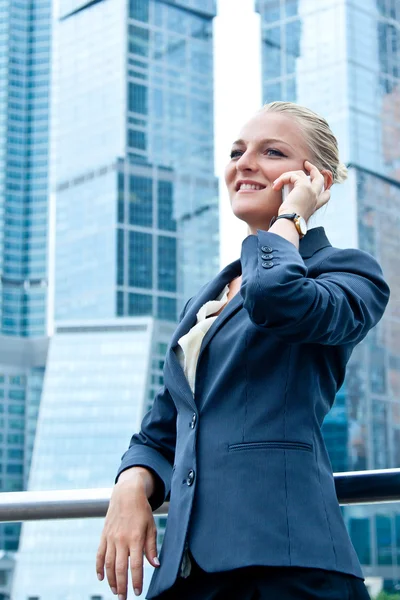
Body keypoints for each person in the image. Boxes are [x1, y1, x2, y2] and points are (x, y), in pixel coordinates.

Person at [96, 101, 390, 600]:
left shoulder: (349, 272)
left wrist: (292, 218)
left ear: (316, 179)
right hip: (187, 574)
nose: (244, 163)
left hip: (288, 566)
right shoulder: (206, 301)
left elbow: (277, 297)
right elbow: (162, 427)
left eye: (271, 151)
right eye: (237, 152)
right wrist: (131, 484)